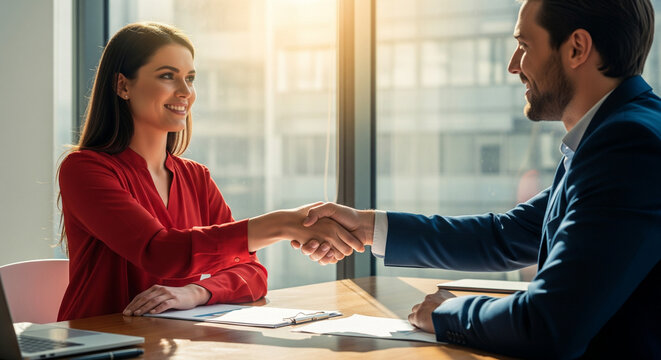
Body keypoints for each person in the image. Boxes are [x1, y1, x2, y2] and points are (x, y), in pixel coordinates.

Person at [295, 0, 661, 358]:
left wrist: (447, 313)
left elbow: (551, 323)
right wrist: (367, 226)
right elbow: (508, 234)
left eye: (524, 46)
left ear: (577, 48)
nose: (513, 65)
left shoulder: (629, 145)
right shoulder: (615, 132)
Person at [57, 22, 357, 321]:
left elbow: (251, 274)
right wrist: (282, 224)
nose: (185, 91)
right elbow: (159, 252)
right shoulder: (84, 169)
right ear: (123, 86)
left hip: (171, 342)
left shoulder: (195, 177)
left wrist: (195, 292)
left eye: (190, 78)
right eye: (167, 76)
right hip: (96, 342)